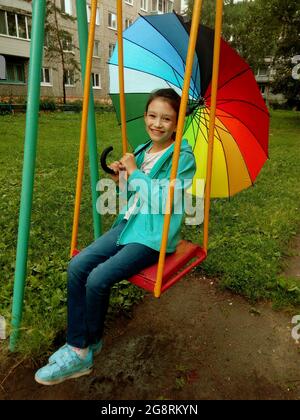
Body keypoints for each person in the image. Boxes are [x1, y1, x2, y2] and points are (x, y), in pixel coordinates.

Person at [34, 88, 196, 385]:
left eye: (166, 118)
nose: (157, 123)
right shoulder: (144, 149)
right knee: (77, 267)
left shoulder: (182, 158)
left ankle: (80, 354)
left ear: (177, 123)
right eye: (152, 115)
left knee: (97, 278)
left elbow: (163, 203)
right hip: (127, 225)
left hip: (152, 236)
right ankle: (83, 343)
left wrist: (134, 172)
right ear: (145, 115)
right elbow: (134, 193)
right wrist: (120, 177)